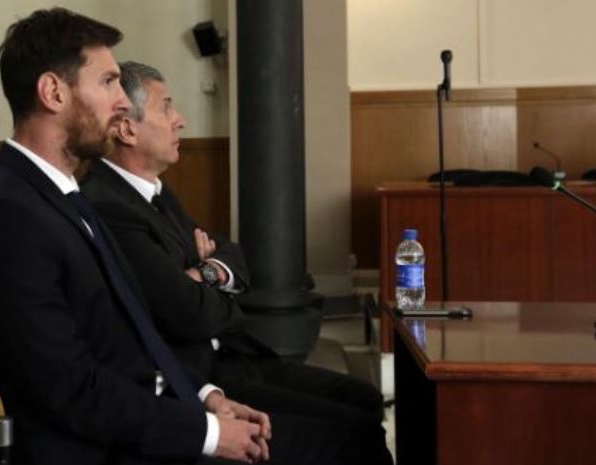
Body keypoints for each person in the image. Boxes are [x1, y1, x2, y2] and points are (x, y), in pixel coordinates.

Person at [0, 8, 407, 465]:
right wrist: (207, 433)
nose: (121, 101)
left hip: (148, 434)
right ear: (53, 92)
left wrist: (207, 398)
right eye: (107, 82)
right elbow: (73, 390)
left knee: (358, 457)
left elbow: (131, 336)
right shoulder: (8, 215)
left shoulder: (59, 196)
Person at [81, 62, 387, 424]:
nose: (180, 120)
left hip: (232, 353)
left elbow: (233, 256)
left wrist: (202, 273)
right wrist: (209, 280)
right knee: (352, 428)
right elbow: (191, 315)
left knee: (365, 398)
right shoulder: (109, 204)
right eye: (166, 107)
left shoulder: (156, 191)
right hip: (200, 379)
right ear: (127, 129)